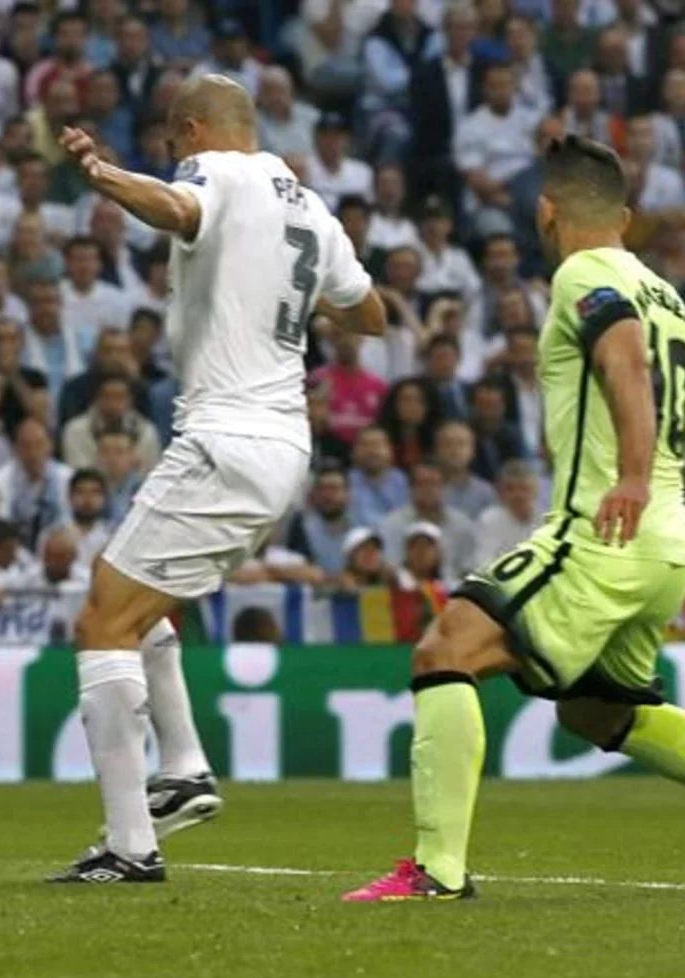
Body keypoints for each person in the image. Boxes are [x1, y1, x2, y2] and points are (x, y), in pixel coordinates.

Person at [53, 75, 385, 884]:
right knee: (140, 604)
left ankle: (130, 847)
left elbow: (179, 210)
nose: (175, 161)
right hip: (283, 446)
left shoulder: (217, 174)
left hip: (225, 437)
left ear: (192, 132)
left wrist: (103, 174)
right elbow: (370, 313)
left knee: (102, 621)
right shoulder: (311, 205)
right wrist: (282, 297)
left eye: (174, 147)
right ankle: (186, 768)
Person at [347, 137, 685, 902]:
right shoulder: (668, 292)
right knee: (599, 714)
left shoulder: (582, 273)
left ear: (546, 209)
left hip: (605, 531)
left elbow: (625, 360)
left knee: (445, 649)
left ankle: (436, 871)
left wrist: (630, 477)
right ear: (626, 217)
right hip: (668, 540)